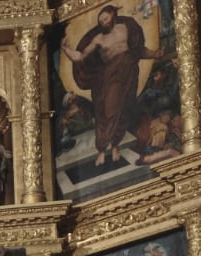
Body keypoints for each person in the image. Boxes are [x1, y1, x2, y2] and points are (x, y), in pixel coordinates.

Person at [62, 4, 159, 167]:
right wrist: (66, 49)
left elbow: (138, 51)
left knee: (124, 109)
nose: (104, 22)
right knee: (109, 110)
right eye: (101, 21)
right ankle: (101, 149)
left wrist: (155, 54)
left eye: (106, 18)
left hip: (129, 74)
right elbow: (80, 56)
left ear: (113, 15)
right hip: (110, 78)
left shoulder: (125, 28)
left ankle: (115, 146)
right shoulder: (99, 39)